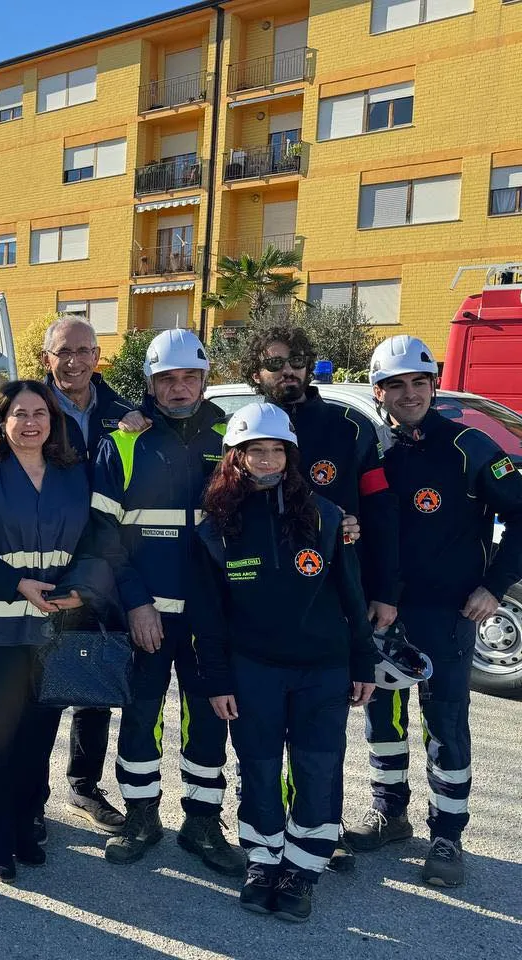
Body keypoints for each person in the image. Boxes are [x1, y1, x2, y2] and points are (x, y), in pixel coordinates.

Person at [345, 335, 522, 888]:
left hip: (449, 613)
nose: (409, 393)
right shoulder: (372, 451)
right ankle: (389, 812)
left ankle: (448, 833)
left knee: (444, 719)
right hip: (382, 613)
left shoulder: (470, 446)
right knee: (383, 715)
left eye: (419, 382)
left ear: (434, 386)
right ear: (379, 391)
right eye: (395, 385)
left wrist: (494, 586)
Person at [190, 402, 377, 922]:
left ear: (290, 456)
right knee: (260, 764)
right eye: (256, 451)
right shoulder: (216, 526)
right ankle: (262, 859)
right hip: (253, 669)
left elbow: (352, 596)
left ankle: (302, 867)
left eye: (277, 450)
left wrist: (363, 662)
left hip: (323, 669)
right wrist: (217, 678)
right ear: (236, 457)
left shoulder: (328, 515)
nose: (268, 460)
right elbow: (207, 613)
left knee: (318, 766)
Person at [0, 380, 124, 882]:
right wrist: (16, 582)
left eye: (40, 414)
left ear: (54, 421)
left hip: (54, 619)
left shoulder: (73, 472)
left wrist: (80, 589)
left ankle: (28, 824)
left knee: (37, 733)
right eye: (19, 414)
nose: (30, 423)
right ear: (1, 421)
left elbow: (96, 538)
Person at [243, 325, 400, 871]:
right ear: (256, 373)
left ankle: (319, 833)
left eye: (298, 361)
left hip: (337, 600)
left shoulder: (349, 426)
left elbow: (381, 515)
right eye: (276, 363)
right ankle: (267, 835)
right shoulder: (243, 428)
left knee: (318, 737)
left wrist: (385, 591)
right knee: (264, 737)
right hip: (262, 606)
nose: (288, 371)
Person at [89, 328, 245, 876]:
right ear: (151, 383)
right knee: (141, 716)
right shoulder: (125, 442)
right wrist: (135, 603)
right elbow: (103, 535)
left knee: (209, 720)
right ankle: (140, 816)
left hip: (212, 617)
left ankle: (202, 822)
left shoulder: (233, 437)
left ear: (204, 378)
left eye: (189, 377)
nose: (179, 388)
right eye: (167, 378)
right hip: (147, 613)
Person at [41, 315, 136, 835]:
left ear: (98, 357)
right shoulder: (29, 409)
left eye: (83, 351)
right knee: (39, 680)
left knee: (94, 678)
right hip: (43, 564)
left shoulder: (126, 414)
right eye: (63, 352)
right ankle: (29, 792)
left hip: (103, 565)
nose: (73, 362)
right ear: (46, 358)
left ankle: (83, 785)